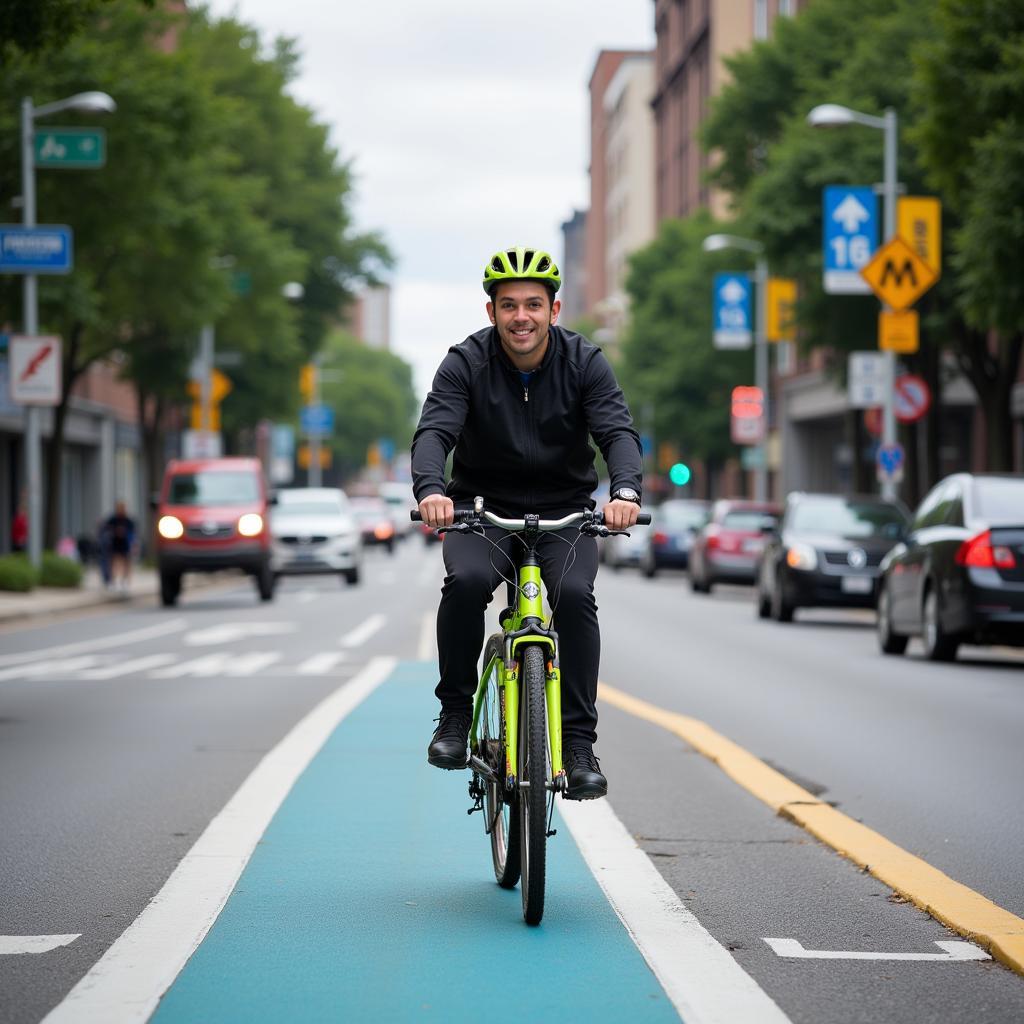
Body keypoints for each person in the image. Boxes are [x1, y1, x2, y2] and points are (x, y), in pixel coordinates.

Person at [412, 246, 642, 800]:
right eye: (509, 305)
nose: (522, 316)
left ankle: (580, 746)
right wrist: (431, 491)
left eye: (534, 305)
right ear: (491, 312)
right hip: (482, 511)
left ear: (554, 310)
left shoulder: (585, 361)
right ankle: (455, 715)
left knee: (573, 596)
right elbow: (434, 432)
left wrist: (625, 491)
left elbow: (616, 431)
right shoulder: (465, 362)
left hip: (565, 512)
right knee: (465, 584)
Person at [103, 501, 136, 591]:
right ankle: (113, 581)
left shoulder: (128, 520)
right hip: (114, 543)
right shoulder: (113, 520)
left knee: (126, 562)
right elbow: (105, 528)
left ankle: (125, 581)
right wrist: (114, 532)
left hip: (125, 544)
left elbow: (133, 533)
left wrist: (133, 544)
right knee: (113, 562)